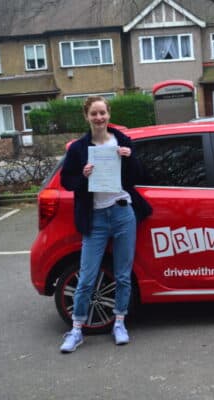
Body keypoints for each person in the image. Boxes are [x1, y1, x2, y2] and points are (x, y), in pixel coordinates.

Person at [59, 95, 151, 353]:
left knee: (123, 275)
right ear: (86, 117)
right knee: (87, 277)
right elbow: (67, 182)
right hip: (96, 218)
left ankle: (119, 323)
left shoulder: (122, 140)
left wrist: (130, 157)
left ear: (109, 114)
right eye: (94, 114)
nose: (99, 118)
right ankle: (76, 330)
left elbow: (138, 176)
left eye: (103, 113)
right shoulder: (78, 149)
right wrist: (83, 175)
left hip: (123, 214)